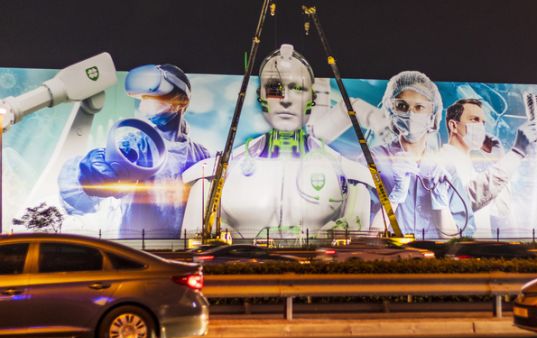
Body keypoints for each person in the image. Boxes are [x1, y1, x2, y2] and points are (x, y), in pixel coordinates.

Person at [181, 44, 374, 239]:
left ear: (312, 98)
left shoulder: (351, 179)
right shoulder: (214, 176)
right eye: (275, 88)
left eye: (297, 88)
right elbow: (191, 244)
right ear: (261, 97)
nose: (285, 100)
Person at [58, 64, 210, 238]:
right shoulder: (138, 143)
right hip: (139, 248)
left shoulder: (200, 154)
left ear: (182, 102)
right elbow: (92, 187)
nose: (145, 106)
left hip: (183, 249)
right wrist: (91, 171)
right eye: (143, 99)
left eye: (154, 98)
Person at [368, 71, 454, 238]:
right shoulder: (375, 159)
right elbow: (368, 236)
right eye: (402, 106)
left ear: (433, 115)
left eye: (419, 107)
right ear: (391, 111)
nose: (411, 114)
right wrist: (394, 197)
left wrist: (441, 202)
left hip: (431, 260)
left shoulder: (443, 168)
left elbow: (452, 240)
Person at [438, 98, 537, 236]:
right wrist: (516, 152)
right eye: (474, 119)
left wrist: (498, 160)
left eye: (483, 122)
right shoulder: (441, 162)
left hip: (478, 247)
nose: (481, 127)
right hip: (457, 248)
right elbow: (465, 200)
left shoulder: (469, 167)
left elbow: (501, 209)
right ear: (454, 126)